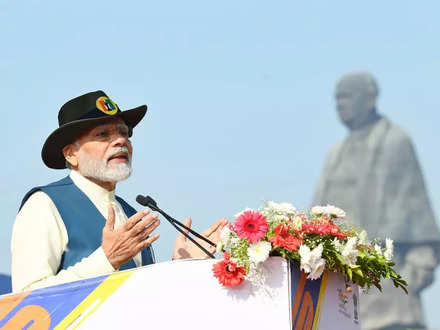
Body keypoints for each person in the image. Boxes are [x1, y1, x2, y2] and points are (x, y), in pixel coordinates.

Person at [11, 90, 227, 293]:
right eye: (103, 134)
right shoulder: (44, 204)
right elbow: (27, 299)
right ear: (71, 154)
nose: (121, 141)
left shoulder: (130, 212)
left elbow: (143, 298)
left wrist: (180, 267)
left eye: (124, 133)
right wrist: (107, 260)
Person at [313, 72, 440, 330]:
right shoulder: (335, 153)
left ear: (369, 99)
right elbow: (316, 217)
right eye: (337, 98)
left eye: (347, 96)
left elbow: (416, 210)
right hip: (343, 290)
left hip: (390, 288)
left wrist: (417, 270)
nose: (340, 104)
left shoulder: (395, 142)